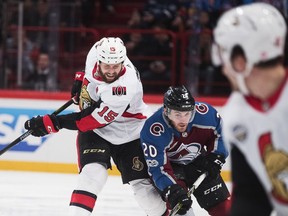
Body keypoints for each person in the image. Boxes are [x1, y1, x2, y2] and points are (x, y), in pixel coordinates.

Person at [24, 37, 167, 216]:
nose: (111, 71)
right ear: (99, 60)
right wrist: (81, 80)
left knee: (144, 191)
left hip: (130, 132)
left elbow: (89, 120)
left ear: (123, 62)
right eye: (106, 66)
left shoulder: (122, 89)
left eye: (116, 67)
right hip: (98, 132)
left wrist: (53, 123)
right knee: (92, 174)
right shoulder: (96, 50)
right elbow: (88, 74)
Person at [211, 2, 288, 216]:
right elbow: (251, 195)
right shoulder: (238, 115)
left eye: (224, 55)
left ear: (240, 59)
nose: (223, 69)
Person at [140, 85, 231, 216]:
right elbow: (158, 168)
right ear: (166, 111)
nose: (183, 120)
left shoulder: (206, 114)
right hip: (171, 170)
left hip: (199, 164)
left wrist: (216, 157)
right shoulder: (153, 129)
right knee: (184, 213)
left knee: (224, 210)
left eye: (187, 114)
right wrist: (172, 189)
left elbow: (222, 134)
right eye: (177, 114)